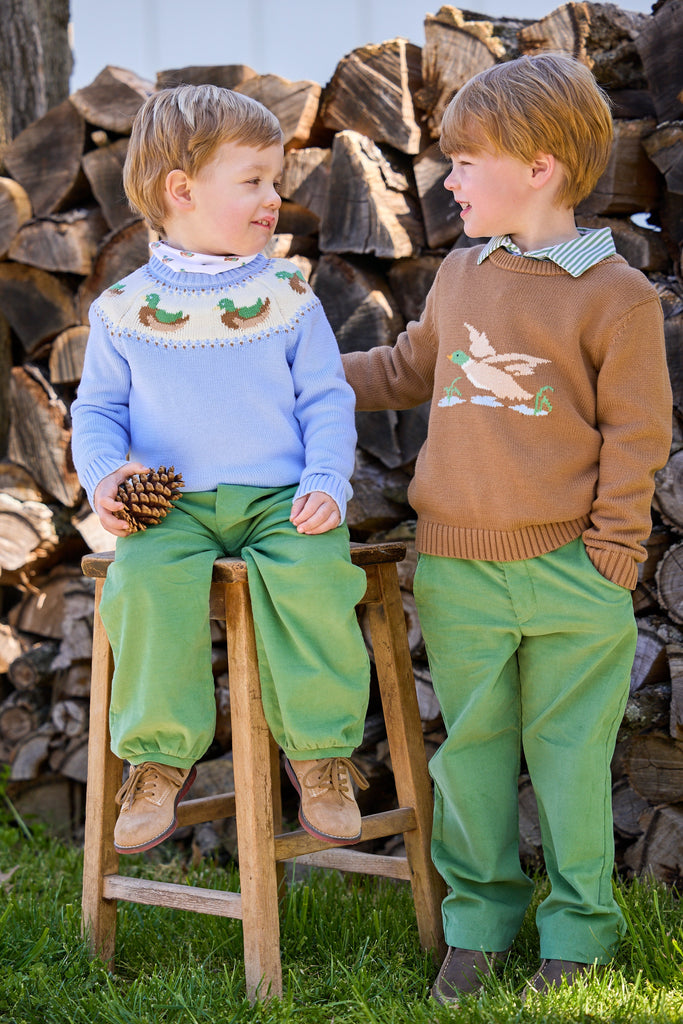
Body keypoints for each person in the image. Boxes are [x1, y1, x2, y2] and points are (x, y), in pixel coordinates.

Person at [341, 52, 672, 1004]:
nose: (448, 179)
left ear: (539, 167)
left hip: (574, 571)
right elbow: (405, 371)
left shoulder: (617, 298)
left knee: (569, 761)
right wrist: (308, 377)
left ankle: (578, 931)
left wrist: (612, 550)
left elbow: (636, 432)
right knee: (472, 757)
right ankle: (477, 926)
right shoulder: (458, 276)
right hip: (455, 568)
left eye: (466, 161)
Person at [71, 84, 371, 856]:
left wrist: (325, 481)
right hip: (171, 508)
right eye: (253, 181)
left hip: (280, 499)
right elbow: (98, 412)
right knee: (141, 586)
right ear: (182, 190)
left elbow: (326, 401)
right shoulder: (121, 308)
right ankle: (155, 762)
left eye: (275, 181)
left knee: (315, 576)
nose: (274, 199)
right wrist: (106, 477)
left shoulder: (288, 295)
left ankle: (321, 752)